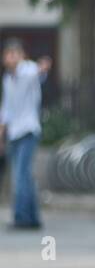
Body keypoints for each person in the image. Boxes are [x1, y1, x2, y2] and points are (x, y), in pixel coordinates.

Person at [0, 40, 50, 229]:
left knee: (21, 175)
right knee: (24, 176)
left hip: (28, 130)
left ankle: (21, 217)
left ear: (21, 56)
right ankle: (33, 217)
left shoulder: (27, 70)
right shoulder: (7, 79)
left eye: (15, 54)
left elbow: (38, 72)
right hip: (14, 132)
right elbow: (6, 109)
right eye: (8, 54)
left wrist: (43, 67)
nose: (11, 58)